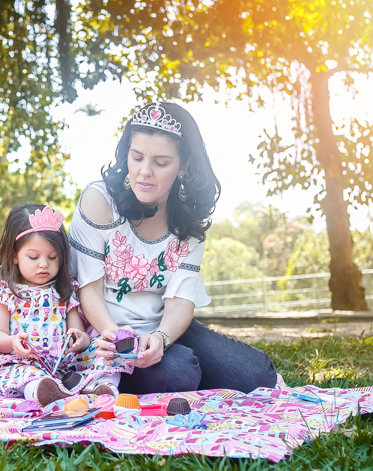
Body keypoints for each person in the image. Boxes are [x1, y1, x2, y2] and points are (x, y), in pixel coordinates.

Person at [68, 101, 279, 394]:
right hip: (102, 331)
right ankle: (111, 375)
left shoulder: (189, 221)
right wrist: (119, 340)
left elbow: (181, 299)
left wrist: (162, 338)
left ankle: (175, 366)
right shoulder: (99, 202)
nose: (144, 172)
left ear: (184, 166)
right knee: (180, 373)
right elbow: (87, 288)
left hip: (162, 326)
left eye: (161, 162)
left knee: (258, 375)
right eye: (137, 156)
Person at [0, 204, 117, 405]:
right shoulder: (5, 292)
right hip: (21, 363)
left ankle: (101, 387)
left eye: (52, 257)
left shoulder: (64, 292)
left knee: (105, 353)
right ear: (14, 255)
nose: (44, 263)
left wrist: (81, 340)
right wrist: (12, 342)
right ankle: (41, 391)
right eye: (33, 257)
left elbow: (77, 331)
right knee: (26, 377)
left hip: (63, 365)